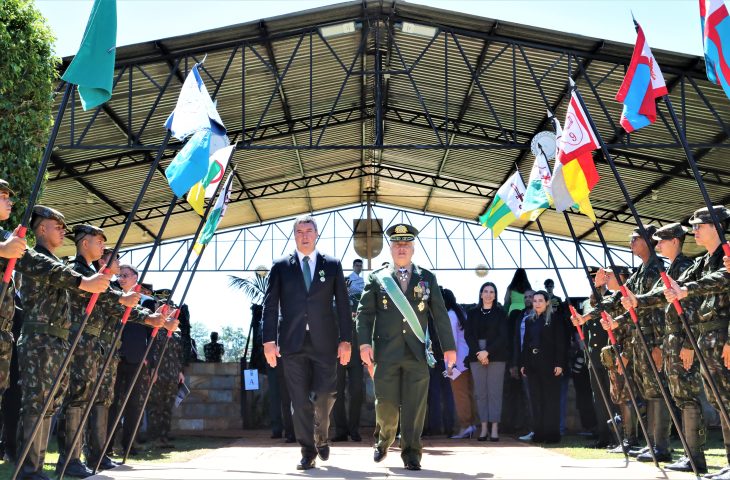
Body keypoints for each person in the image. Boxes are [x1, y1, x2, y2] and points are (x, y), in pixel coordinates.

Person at [625, 206, 730, 477]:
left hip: (721, 336)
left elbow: (717, 282)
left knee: (727, 400)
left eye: (699, 225)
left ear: (717, 226)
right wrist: (640, 300)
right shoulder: (702, 262)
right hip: (705, 338)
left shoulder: (726, 257)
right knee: (719, 402)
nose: (694, 230)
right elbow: (671, 288)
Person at [58, 225, 170, 477]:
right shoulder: (79, 271)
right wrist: (128, 303)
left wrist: (149, 318)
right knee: (78, 398)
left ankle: (97, 453)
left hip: (100, 346)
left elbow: (117, 306)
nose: (105, 250)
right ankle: (70, 458)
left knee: (100, 399)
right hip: (81, 341)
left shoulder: (97, 278)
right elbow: (111, 300)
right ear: (85, 244)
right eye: (99, 243)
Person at [13, 205, 113, 480]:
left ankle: (40, 466)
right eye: (57, 226)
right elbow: (58, 275)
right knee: (37, 401)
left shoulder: (56, 261)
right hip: (39, 338)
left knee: (51, 402)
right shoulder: (34, 257)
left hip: (57, 340)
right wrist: (86, 281)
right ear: (41, 228)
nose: (63, 231)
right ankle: (29, 468)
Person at [357, 223, 456, 471]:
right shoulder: (377, 278)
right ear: (390, 249)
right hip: (386, 354)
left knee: (415, 408)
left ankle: (412, 453)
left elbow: (440, 315)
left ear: (412, 248)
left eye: (406, 244)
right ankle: (384, 439)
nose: (401, 248)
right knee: (386, 406)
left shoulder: (427, 278)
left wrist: (449, 348)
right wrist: (363, 343)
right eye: (397, 244)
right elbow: (365, 313)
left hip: (416, 353)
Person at [261, 215, 352, 471]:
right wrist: (269, 341)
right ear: (294, 235)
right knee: (299, 400)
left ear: (317, 234)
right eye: (299, 231)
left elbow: (343, 305)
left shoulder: (332, 265)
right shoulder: (281, 266)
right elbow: (270, 305)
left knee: (325, 395)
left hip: (325, 342)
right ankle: (307, 450)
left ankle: (322, 435)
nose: (304, 235)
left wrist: (346, 340)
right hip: (292, 342)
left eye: (309, 230)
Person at [610, 223, 702, 472]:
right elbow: (653, 300)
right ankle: (659, 446)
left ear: (675, 241)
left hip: (668, 339)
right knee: (657, 392)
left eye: (662, 241)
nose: (658, 244)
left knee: (681, 395)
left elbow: (687, 308)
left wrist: (680, 343)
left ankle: (675, 450)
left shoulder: (683, 267)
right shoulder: (665, 268)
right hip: (662, 339)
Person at [573, 225, 668, 462]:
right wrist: (586, 317)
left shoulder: (658, 270)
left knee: (654, 394)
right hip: (638, 342)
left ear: (648, 241)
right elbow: (619, 300)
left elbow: (656, 309)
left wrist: (658, 345)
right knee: (644, 393)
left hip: (651, 340)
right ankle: (648, 443)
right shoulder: (639, 273)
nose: (631, 243)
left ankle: (659, 445)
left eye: (634, 239)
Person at [465, 281, 508, 441]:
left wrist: (487, 351)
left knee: (495, 393)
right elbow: (468, 335)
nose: (488, 294)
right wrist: (479, 352)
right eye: (486, 291)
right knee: (481, 393)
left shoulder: (501, 313)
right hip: (476, 355)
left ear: (495, 295)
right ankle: (483, 428)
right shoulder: (472, 312)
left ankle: (494, 427)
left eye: (492, 292)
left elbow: (503, 336)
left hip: (496, 354)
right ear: (481, 294)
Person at [520, 290, 565, 444]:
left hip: (550, 363)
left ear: (547, 303)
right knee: (536, 399)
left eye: (540, 300)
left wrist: (559, 363)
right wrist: (524, 364)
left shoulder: (555, 319)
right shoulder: (529, 320)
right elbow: (526, 343)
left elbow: (561, 343)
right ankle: (538, 433)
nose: (537, 303)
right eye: (535, 301)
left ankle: (551, 435)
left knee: (550, 400)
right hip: (532, 364)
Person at [332, 261, 365, 443]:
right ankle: (341, 430)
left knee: (357, 392)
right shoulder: (333, 307)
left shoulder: (360, 305)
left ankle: (354, 429)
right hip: (337, 356)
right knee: (337, 393)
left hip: (357, 355)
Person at [443, 287, 477, 440]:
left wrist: (450, 365)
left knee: (460, 395)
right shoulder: (461, 313)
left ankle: (465, 426)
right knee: (468, 393)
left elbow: (452, 342)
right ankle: (471, 424)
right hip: (465, 359)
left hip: (456, 362)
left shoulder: (450, 315)